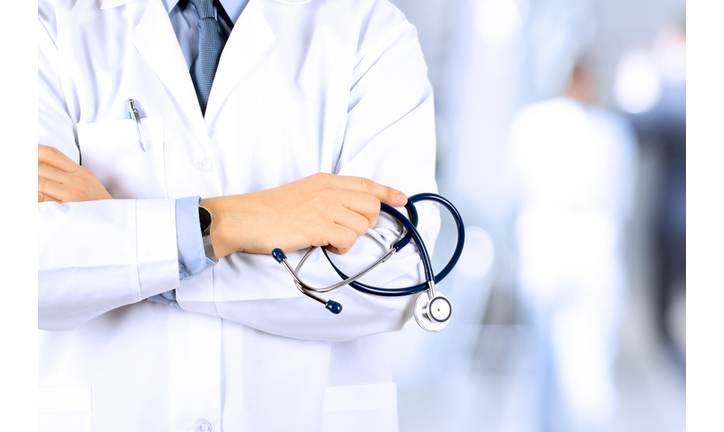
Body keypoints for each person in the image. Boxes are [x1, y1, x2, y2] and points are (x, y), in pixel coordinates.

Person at [37, 0, 440, 431]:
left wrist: (127, 243)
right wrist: (237, 222)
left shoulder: (368, 29)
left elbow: (392, 276)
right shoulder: (45, 24)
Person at [508, 62, 638, 432]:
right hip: (593, 251)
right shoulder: (612, 132)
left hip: (543, 249)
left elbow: (513, 187)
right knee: (589, 364)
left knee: (544, 366)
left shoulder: (530, 123)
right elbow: (624, 198)